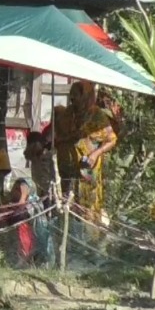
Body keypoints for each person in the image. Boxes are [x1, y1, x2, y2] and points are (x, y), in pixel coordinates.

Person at [55, 81, 117, 221]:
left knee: (87, 213)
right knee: (68, 212)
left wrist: (95, 154)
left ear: (86, 96)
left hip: (87, 173)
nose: (73, 101)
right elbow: (59, 138)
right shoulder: (68, 113)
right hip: (68, 172)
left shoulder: (96, 115)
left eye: (76, 97)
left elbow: (112, 139)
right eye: (71, 97)